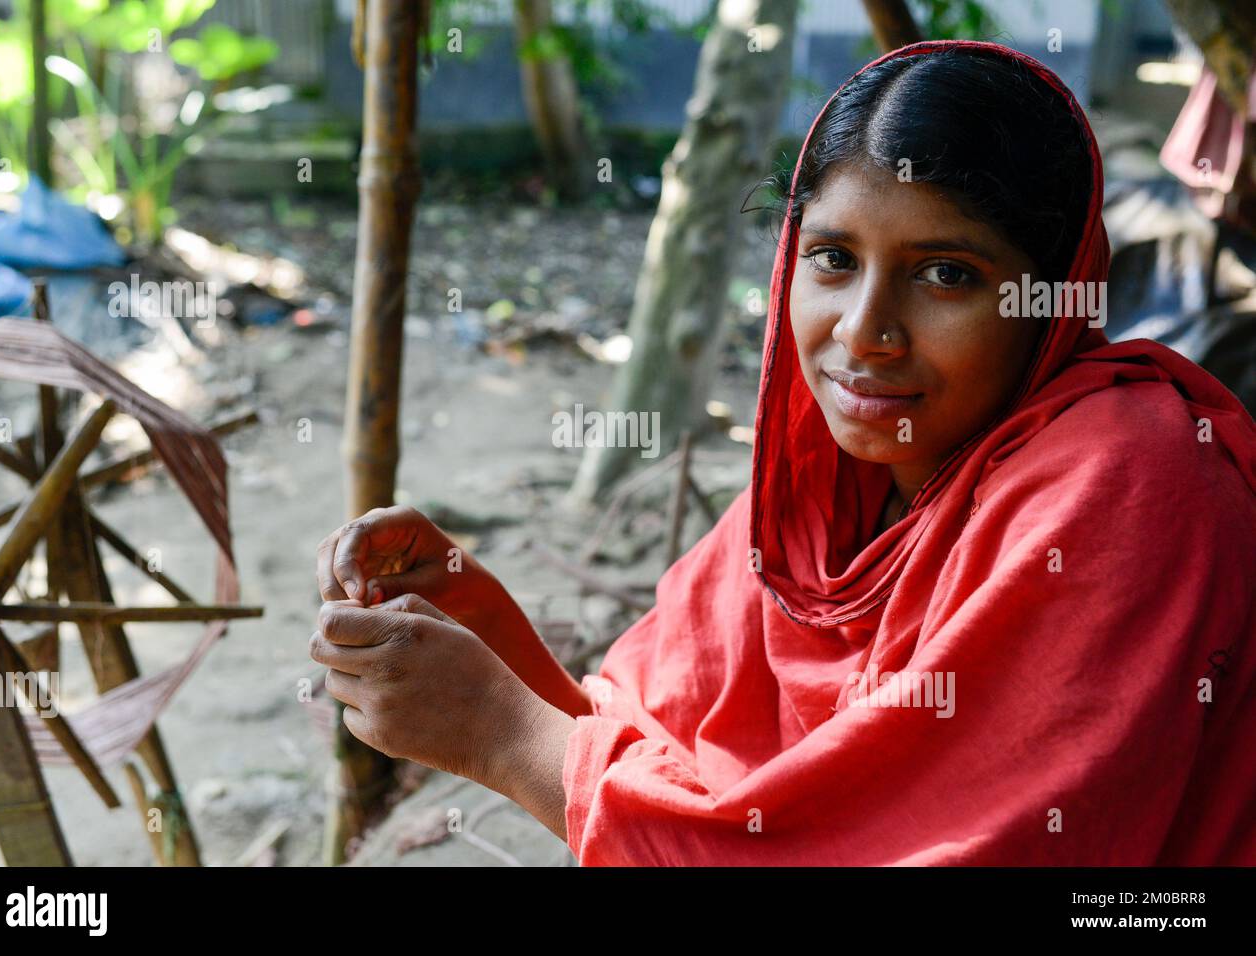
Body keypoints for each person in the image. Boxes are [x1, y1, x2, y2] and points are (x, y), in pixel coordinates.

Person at [311, 40, 1256, 865]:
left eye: (946, 274)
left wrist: (498, 732)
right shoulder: (823, 491)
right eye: (835, 258)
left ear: (1052, 299)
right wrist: (479, 624)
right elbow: (664, 783)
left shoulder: (1136, 475)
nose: (865, 332)